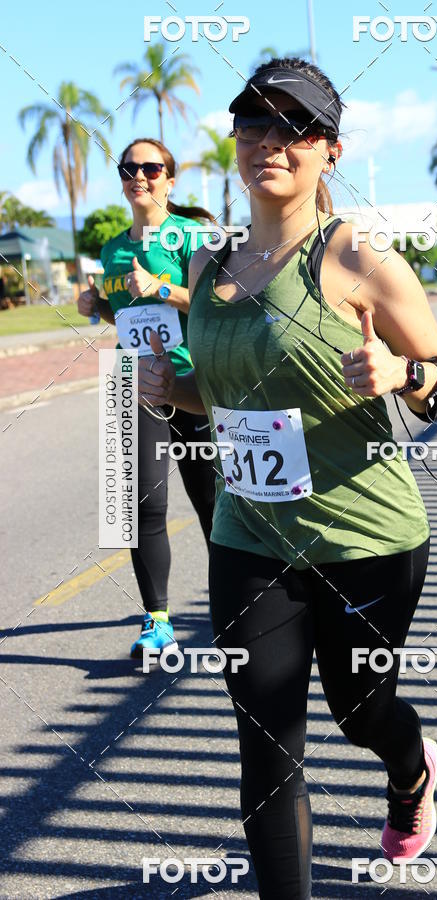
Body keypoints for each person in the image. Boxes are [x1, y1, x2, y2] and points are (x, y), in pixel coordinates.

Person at [139, 57, 437, 898]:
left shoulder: (360, 253)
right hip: (249, 537)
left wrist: (403, 375)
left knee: (360, 710)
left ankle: (411, 766)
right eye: (253, 122)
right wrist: (170, 391)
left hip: (366, 538)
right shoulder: (208, 268)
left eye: (294, 127)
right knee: (268, 740)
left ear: (329, 151)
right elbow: (217, 392)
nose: (269, 141)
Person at [77, 138, 216, 657]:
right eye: (130, 168)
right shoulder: (114, 249)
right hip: (137, 388)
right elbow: (127, 316)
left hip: (194, 386)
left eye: (152, 168)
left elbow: (214, 302)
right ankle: (156, 620)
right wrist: (98, 305)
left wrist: (160, 287)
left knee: (211, 505)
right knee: (144, 505)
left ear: (170, 180)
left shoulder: (191, 236)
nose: (140, 176)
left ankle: (231, 605)